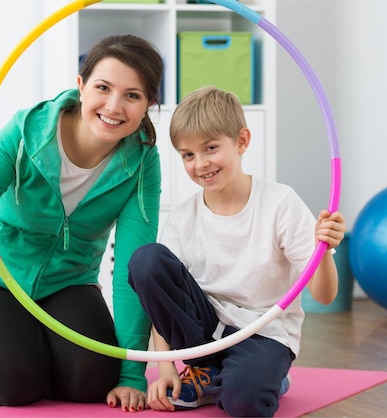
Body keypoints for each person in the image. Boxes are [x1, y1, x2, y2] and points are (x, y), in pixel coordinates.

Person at [0, 34, 163, 412]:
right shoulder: (26, 131)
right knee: (18, 387)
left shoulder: (142, 162)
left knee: (94, 382)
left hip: (69, 282)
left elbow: (131, 269)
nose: (114, 106)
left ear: (149, 104)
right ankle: (13, 356)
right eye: (103, 88)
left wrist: (132, 375)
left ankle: (37, 353)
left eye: (132, 96)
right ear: (81, 86)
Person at [127, 86, 347, 417]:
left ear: (242, 141)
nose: (200, 164)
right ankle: (209, 371)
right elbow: (164, 302)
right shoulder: (183, 218)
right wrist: (167, 370)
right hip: (203, 335)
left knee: (244, 403)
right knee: (147, 259)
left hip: (264, 334)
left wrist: (324, 248)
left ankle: (256, 379)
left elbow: (325, 295)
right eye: (187, 155)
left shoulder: (280, 203)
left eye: (210, 148)